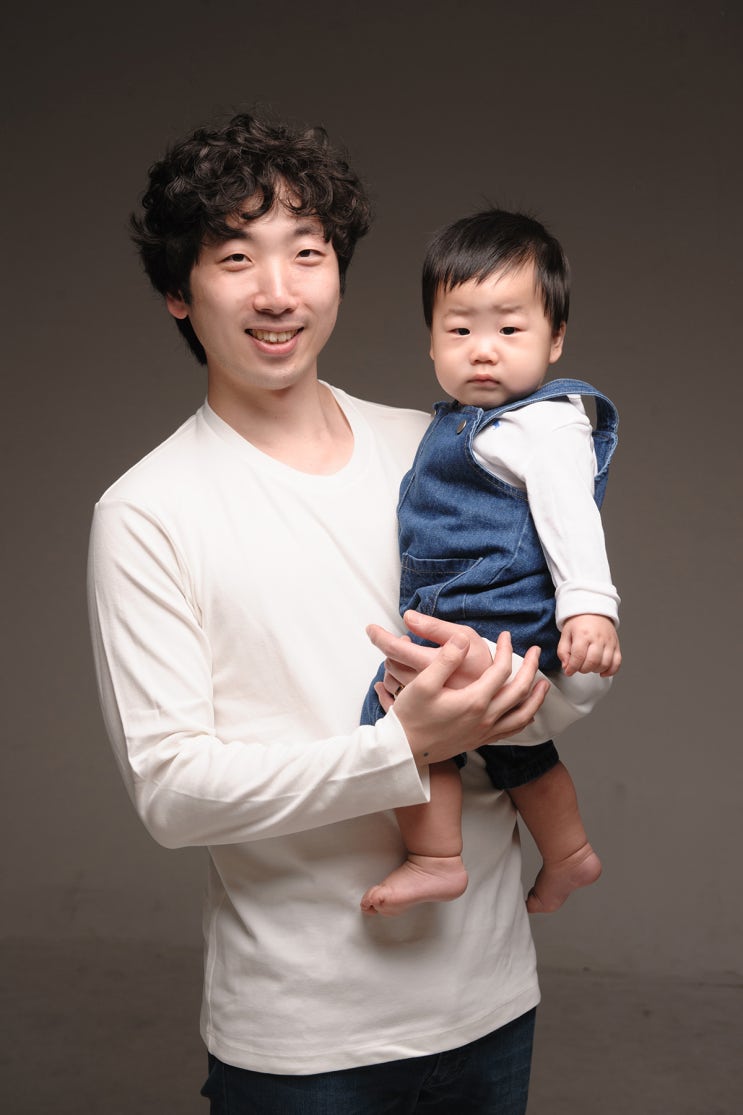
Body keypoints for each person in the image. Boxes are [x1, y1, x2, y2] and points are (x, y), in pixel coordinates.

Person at [87, 112, 603, 1114]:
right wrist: (400, 745)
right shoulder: (147, 511)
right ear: (177, 292)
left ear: (337, 273)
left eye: (307, 252)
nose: (277, 291)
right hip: (302, 1036)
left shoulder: (443, 449)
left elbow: (557, 672)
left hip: (491, 998)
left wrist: (534, 689)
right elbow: (172, 792)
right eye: (235, 257)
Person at [360, 209, 621, 920]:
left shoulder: (545, 422)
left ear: (555, 338)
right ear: (430, 341)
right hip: (481, 622)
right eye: (458, 331)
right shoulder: (457, 424)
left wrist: (589, 607)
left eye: (509, 330)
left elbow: (571, 516)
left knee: (395, 710)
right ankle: (569, 853)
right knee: (512, 750)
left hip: (498, 618)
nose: (482, 351)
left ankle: (435, 858)